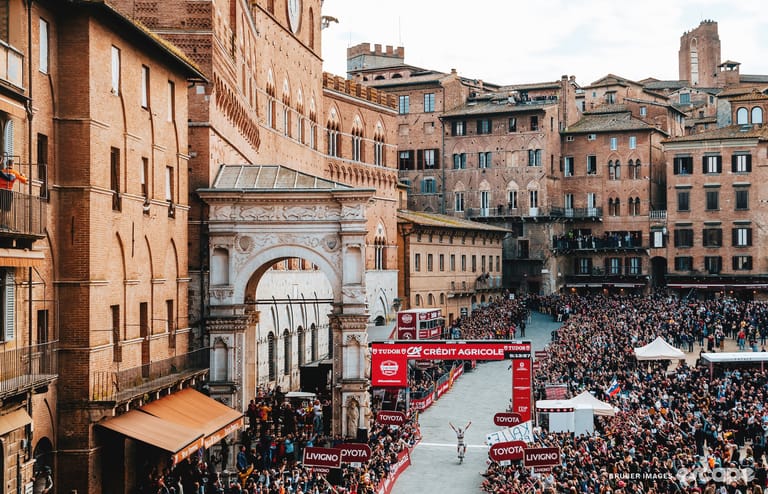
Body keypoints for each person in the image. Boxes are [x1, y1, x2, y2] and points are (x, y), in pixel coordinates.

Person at [0, 159, 26, 227]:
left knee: (2, 208)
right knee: (6, 209)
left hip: (0, 191)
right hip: (8, 192)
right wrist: (23, 175)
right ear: (12, 165)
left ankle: (2, 223)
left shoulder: (2, 171)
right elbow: (24, 181)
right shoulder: (14, 172)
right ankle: (2, 224)